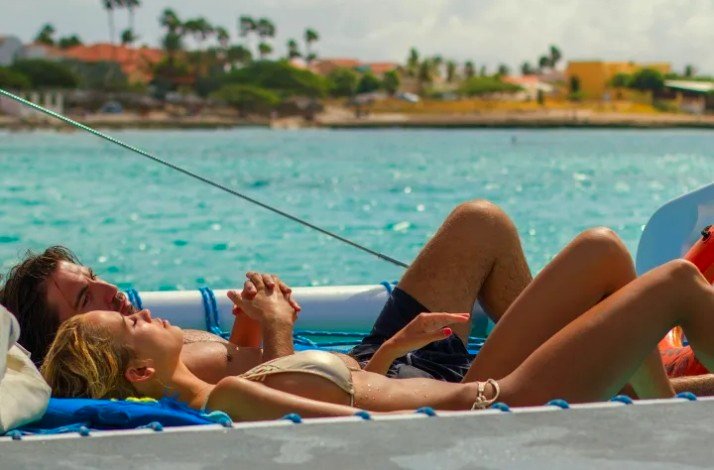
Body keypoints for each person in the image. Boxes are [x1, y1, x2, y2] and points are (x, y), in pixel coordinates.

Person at [2, 200, 713, 394]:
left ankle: (618, 365)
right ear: (67, 338)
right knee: (606, 256)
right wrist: (277, 335)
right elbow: (280, 408)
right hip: (387, 389)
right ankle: (626, 371)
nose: (108, 289)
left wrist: (254, 326)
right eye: (83, 297)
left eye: (92, 274)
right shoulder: (142, 366)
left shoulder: (153, 342)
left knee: (482, 225)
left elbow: (247, 375)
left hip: (379, 369)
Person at [39, 253, 714, 422]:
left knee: (601, 251)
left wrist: (388, 356)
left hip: (491, 401)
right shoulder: (234, 399)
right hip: (507, 407)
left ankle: (660, 419)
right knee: (679, 279)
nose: (143, 312)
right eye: (131, 325)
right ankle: (662, 419)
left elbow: (362, 401)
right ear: (134, 374)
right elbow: (368, 440)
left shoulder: (226, 392)